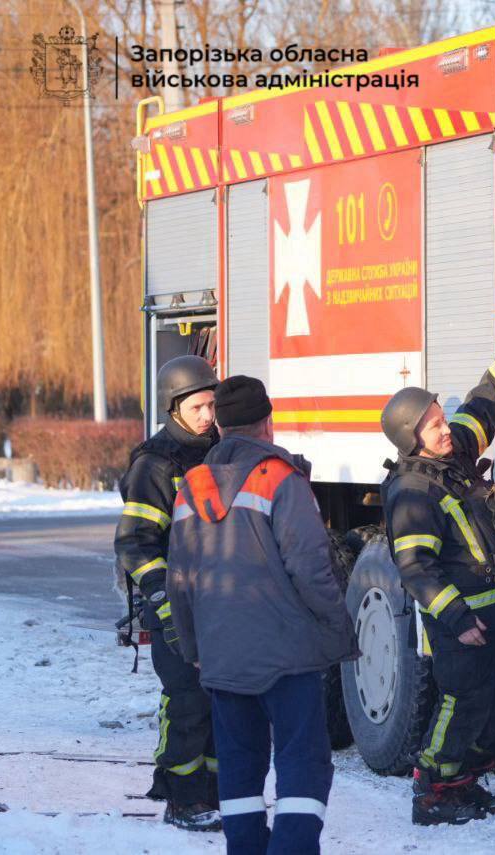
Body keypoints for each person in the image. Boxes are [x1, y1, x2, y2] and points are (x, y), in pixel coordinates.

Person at [165, 376, 358, 855]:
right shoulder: (280, 478)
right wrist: (339, 631)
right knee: (303, 761)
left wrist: (194, 650)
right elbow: (312, 569)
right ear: (267, 423)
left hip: (223, 659)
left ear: (221, 428)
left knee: (238, 765)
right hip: (286, 657)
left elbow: (180, 582)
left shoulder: (190, 488)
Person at [380, 313, 495, 826]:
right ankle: (433, 787)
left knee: (487, 705)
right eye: (434, 424)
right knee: (460, 701)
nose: (445, 427)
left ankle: (462, 786)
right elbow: (416, 568)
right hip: (460, 621)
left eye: (440, 419)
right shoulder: (413, 492)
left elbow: (482, 407)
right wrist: (458, 621)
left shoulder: (453, 456)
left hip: (487, 611)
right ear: (411, 438)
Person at [114, 354, 221, 831]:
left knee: (219, 704)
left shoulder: (219, 451)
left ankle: (211, 793)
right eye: (198, 407)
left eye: (213, 405)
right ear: (174, 407)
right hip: (175, 604)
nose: (208, 416)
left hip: (220, 603)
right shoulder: (155, 465)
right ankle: (184, 800)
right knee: (188, 703)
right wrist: (163, 597)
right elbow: (135, 544)